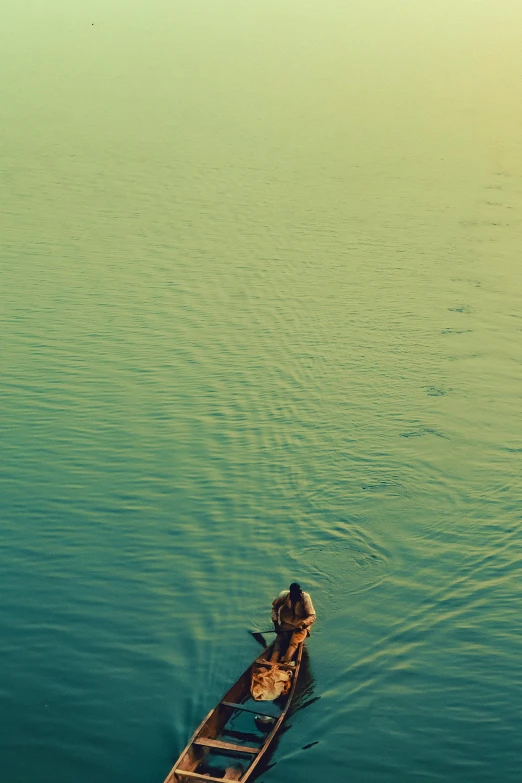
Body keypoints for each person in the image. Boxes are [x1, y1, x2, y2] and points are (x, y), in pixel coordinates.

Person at [270, 582, 316, 663]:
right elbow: (274, 608)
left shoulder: (305, 597)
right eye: (297, 595)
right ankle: (272, 662)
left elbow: (312, 616)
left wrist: (303, 624)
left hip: (300, 626)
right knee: (279, 641)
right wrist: (276, 624)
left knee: (294, 643)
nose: (300, 596)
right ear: (291, 594)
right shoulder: (283, 595)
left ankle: (286, 662)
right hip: (286, 624)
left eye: (300, 594)